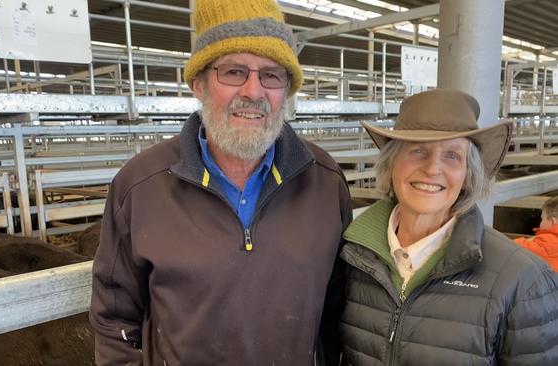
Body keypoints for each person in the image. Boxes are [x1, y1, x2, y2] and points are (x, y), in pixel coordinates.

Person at [89, 0, 352, 364]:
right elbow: (114, 316)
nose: (254, 92)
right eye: (233, 71)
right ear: (198, 83)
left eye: (272, 75)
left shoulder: (323, 182)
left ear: (287, 90)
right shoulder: (140, 187)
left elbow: (337, 313)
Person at [337, 89, 558, 365]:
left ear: (468, 173)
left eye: (452, 156)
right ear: (391, 163)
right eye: (418, 151)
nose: (432, 169)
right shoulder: (351, 259)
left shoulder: (522, 280)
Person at [514, 195, 558, 271]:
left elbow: (517, 246)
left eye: (542, 219)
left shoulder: (549, 242)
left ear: (553, 221)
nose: (540, 223)